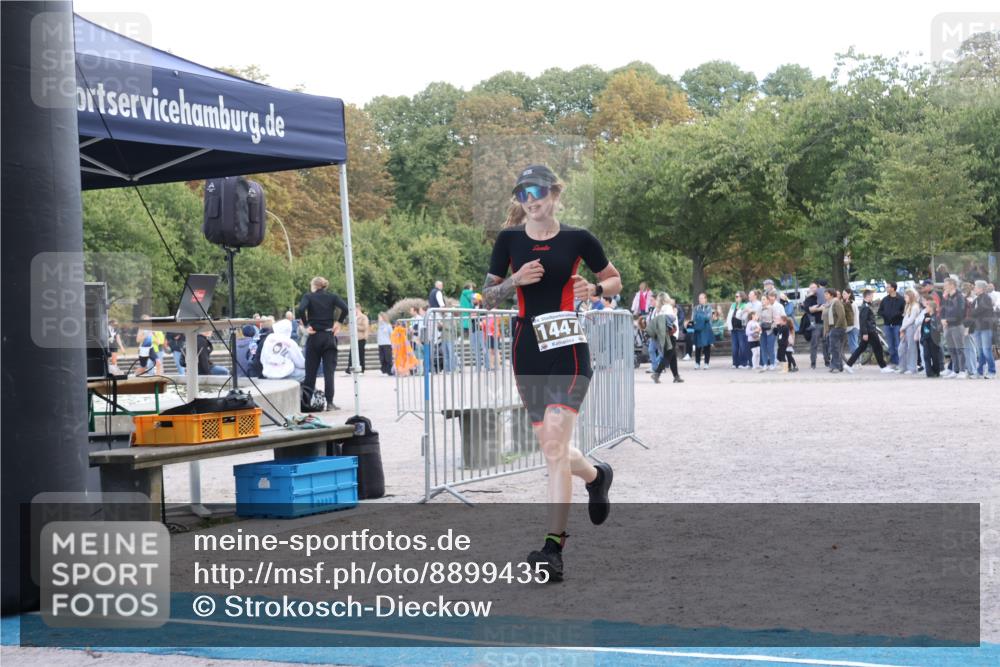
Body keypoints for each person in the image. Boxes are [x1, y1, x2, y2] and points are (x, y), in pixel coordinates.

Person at [481, 164, 621, 581]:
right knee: (554, 448)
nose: (531, 199)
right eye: (523, 193)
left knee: (556, 447)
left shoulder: (579, 239)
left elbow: (613, 279)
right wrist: (515, 281)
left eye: (538, 191)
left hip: (567, 349)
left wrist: (595, 290)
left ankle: (552, 549)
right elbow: (485, 297)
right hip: (527, 350)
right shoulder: (508, 241)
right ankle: (597, 476)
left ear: (555, 193)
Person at [296, 276, 349, 411]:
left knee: (311, 372)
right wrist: (338, 322)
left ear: (314, 286)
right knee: (329, 372)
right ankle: (330, 403)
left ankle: (307, 403)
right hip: (328, 336)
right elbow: (345, 308)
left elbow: (301, 309)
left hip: (314, 336)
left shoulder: (308, 296)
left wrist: (307, 324)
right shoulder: (332, 297)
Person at [846, 289, 893, 373]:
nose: (872, 298)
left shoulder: (865, 306)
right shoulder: (865, 307)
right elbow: (863, 321)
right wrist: (865, 333)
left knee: (861, 348)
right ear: (867, 296)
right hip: (870, 331)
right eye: (871, 296)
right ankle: (883, 367)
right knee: (878, 348)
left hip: (869, 331)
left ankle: (848, 364)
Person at [649, 293, 683, 383]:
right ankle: (657, 373)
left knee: (672, 355)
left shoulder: (658, 309)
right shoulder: (668, 307)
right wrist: (675, 313)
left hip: (663, 334)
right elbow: (670, 319)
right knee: (668, 355)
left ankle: (676, 376)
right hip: (671, 334)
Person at [940, 277, 968, 378]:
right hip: (947, 326)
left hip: (957, 325)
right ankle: (955, 370)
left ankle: (962, 371)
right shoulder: (947, 297)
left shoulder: (959, 297)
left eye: (946, 285)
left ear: (952, 285)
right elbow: (942, 310)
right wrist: (943, 319)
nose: (944, 287)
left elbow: (960, 312)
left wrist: (948, 320)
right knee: (951, 349)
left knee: (959, 349)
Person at [970, 280, 997, 379]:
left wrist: (971, 311)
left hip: (986, 328)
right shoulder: (976, 299)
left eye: (976, 287)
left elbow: (977, 311)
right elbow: (971, 311)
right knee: (980, 351)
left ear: (981, 289)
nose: (974, 289)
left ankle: (992, 371)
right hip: (977, 328)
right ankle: (980, 371)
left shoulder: (986, 298)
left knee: (986, 350)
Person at [877, 282, 905, 368]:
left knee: (898, 344)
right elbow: (879, 311)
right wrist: (885, 315)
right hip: (887, 325)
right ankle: (894, 362)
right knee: (890, 345)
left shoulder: (901, 299)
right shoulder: (885, 299)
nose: (886, 288)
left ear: (893, 288)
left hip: (897, 324)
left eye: (888, 287)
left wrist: (897, 315)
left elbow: (903, 311)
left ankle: (901, 363)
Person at [802, 282, 828, 369]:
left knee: (826, 343)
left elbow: (827, 306)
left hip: (825, 323)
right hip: (816, 324)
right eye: (811, 288)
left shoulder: (824, 296)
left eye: (815, 287)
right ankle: (813, 363)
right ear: (809, 289)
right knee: (814, 344)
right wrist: (819, 308)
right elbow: (809, 309)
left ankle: (827, 361)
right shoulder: (808, 299)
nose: (813, 289)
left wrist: (816, 308)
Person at [898, 288, 924, 375]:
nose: (905, 299)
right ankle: (903, 366)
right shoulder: (908, 306)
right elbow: (905, 318)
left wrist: (903, 328)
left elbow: (911, 319)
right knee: (902, 348)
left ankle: (912, 367)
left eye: (906, 297)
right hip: (905, 328)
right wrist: (903, 327)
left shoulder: (915, 306)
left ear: (911, 297)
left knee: (911, 348)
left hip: (911, 328)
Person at [758, 290, 783, 371]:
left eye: (764, 299)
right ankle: (765, 364)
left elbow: (775, 320)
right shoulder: (760, 309)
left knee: (770, 348)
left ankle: (772, 363)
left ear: (768, 300)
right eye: (761, 299)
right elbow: (758, 319)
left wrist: (771, 327)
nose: (762, 301)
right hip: (762, 331)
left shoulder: (772, 308)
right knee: (763, 347)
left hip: (770, 331)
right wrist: (759, 326)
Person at [824, 288, 847, 372]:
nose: (825, 296)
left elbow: (841, 315)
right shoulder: (830, 303)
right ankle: (839, 366)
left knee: (834, 347)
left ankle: (835, 366)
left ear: (831, 294)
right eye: (825, 294)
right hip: (832, 328)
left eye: (826, 294)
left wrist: (836, 326)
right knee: (834, 347)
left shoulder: (836, 302)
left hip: (838, 328)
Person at [920, 300, 944, 377]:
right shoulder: (925, 316)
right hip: (926, 339)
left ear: (931, 308)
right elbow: (922, 328)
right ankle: (929, 372)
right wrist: (922, 338)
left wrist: (931, 320)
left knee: (935, 356)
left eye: (927, 306)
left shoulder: (936, 316)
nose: (925, 307)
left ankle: (936, 371)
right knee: (926, 356)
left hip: (934, 340)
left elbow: (939, 328)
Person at [726, 292, 749, 369]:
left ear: (741, 297)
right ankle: (735, 363)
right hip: (733, 329)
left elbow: (743, 318)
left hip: (741, 329)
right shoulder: (733, 305)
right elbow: (729, 316)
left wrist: (741, 311)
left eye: (737, 296)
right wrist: (729, 326)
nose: (736, 298)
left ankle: (744, 363)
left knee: (742, 346)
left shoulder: (745, 305)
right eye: (735, 296)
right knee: (734, 347)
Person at [344, 304, 369, 374]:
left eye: (354, 309)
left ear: (358, 308)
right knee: (351, 354)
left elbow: (364, 327)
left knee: (360, 354)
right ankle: (349, 369)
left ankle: (362, 369)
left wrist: (354, 325)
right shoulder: (353, 317)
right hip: (353, 339)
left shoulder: (364, 317)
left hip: (361, 338)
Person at [692, 293, 714, 370]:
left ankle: (706, 363)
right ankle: (697, 363)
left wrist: (699, 317)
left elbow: (708, 318)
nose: (700, 300)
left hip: (707, 329)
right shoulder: (696, 308)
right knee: (698, 347)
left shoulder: (709, 308)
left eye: (702, 298)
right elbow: (694, 319)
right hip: (698, 329)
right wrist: (701, 318)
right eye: (699, 298)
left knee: (707, 347)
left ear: (705, 299)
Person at [844, 289, 860, 356]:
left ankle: (857, 361)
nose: (843, 295)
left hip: (853, 327)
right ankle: (857, 361)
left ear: (849, 294)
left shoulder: (851, 304)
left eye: (844, 294)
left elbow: (851, 317)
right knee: (853, 344)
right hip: (854, 327)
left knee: (853, 345)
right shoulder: (851, 303)